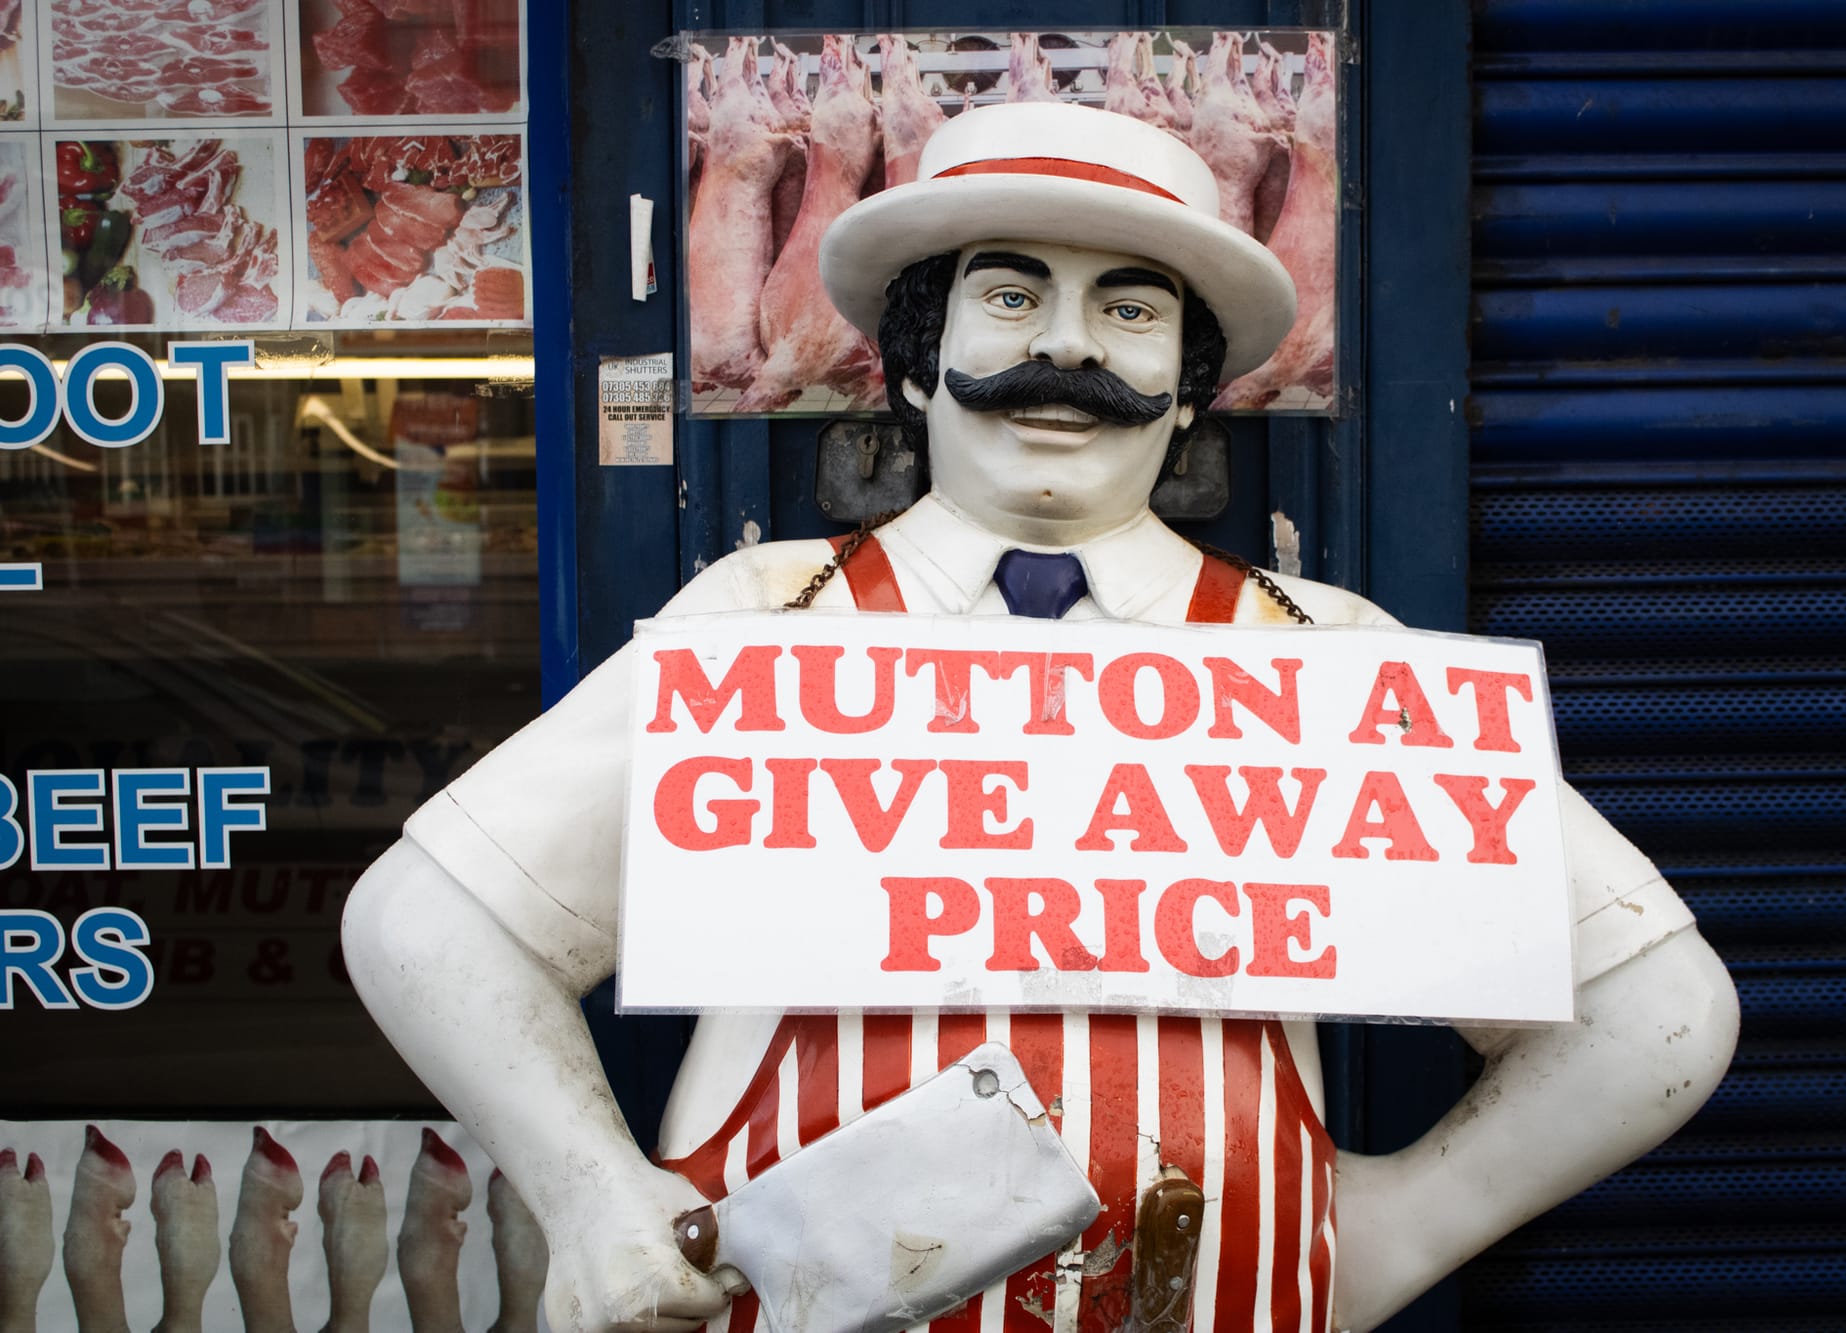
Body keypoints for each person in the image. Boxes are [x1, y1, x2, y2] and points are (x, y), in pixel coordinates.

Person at [341, 102, 1738, 1332]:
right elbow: (430, 916)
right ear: (910, 361)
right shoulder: (767, 625)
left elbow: (1654, 1005)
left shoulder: (1319, 657)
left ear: (1188, 390)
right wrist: (591, 1190)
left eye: (1131, 311)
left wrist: (1395, 1228)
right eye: (1010, 296)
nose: (1066, 344)